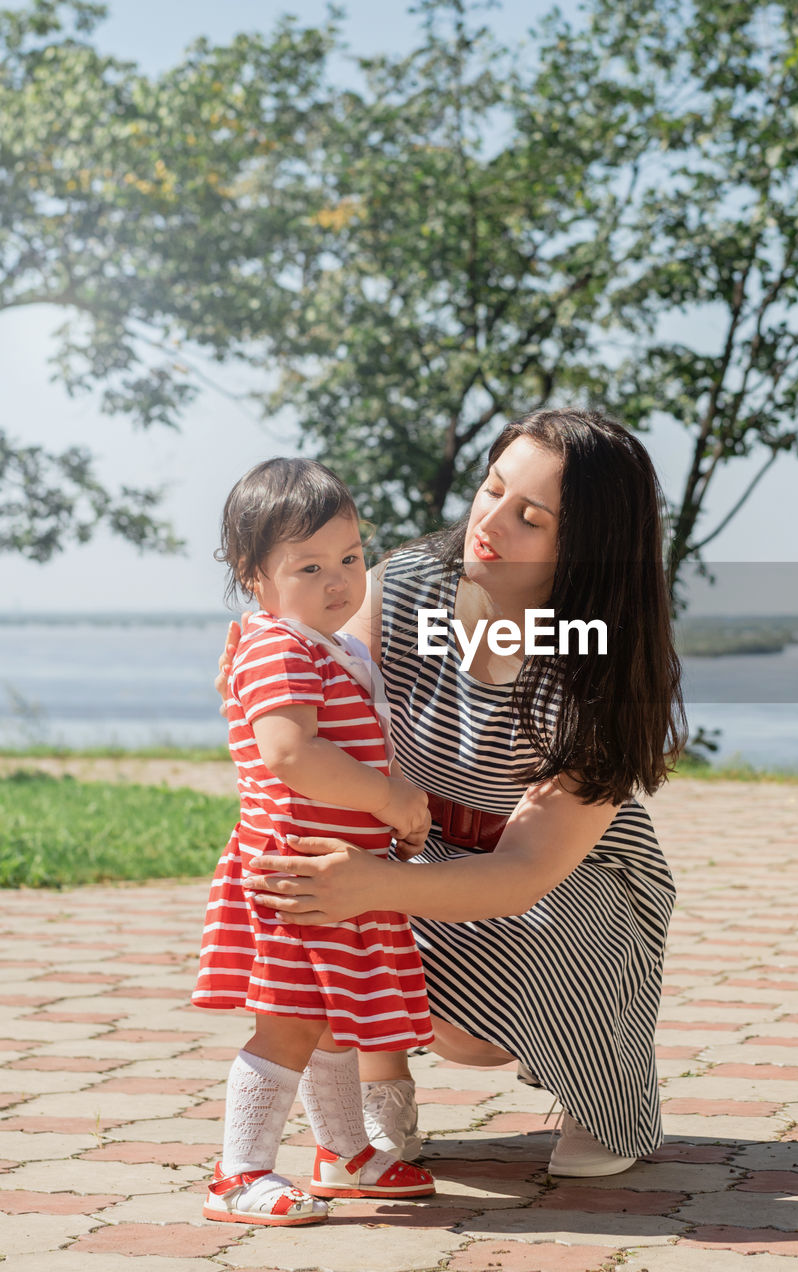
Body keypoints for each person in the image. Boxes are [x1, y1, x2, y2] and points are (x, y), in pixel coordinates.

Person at [230, 409, 686, 1177]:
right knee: (333, 893)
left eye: (530, 517)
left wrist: (376, 883)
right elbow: (312, 704)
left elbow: (524, 873)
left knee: (537, 931)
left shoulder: (603, 674)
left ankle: (602, 1097)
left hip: (567, 882)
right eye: (492, 488)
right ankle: (380, 1091)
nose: (490, 522)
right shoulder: (402, 587)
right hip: (412, 835)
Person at [193, 457, 437, 1227]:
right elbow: (291, 755)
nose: (339, 581)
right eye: (309, 566)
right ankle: (239, 1173)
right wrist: (392, 797)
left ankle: (344, 1154)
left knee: (335, 1019)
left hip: (341, 875)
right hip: (295, 873)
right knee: (292, 1021)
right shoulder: (278, 647)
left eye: (351, 559)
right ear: (253, 575)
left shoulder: (334, 648)